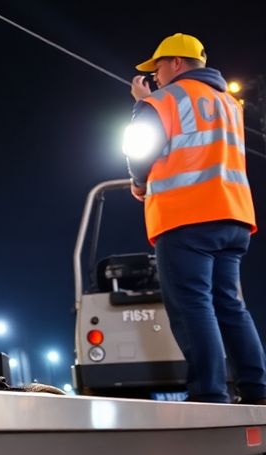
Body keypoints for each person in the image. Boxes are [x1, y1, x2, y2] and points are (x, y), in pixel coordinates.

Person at [122, 33, 266, 404]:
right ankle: (255, 388)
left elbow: (140, 149)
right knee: (230, 304)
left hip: (185, 216)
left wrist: (139, 181)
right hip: (232, 216)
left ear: (177, 64)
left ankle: (209, 392)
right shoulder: (229, 103)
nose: (155, 76)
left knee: (193, 306)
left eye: (158, 67)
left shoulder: (164, 99)